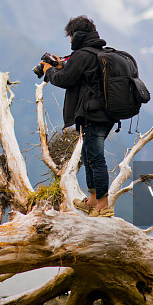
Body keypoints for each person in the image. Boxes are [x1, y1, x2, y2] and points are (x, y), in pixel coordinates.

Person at [41, 15, 116, 217]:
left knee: (96, 158)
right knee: (89, 155)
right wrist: (60, 66)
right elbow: (78, 76)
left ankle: (103, 205)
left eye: (72, 36)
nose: (71, 41)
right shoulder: (97, 52)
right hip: (103, 113)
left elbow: (65, 80)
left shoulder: (83, 55)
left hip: (94, 114)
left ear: (79, 35)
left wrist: (49, 71)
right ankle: (92, 200)